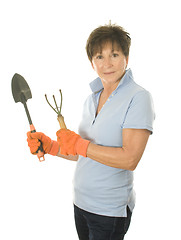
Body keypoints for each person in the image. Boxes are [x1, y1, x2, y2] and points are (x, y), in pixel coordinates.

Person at [27, 23, 155, 240]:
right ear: (91, 63)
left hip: (108, 211)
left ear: (126, 57)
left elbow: (130, 159)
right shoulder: (91, 98)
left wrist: (79, 144)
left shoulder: (138, 97)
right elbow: (83, 153)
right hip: (80, 203)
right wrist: (50, 146)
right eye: (99, 56)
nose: (107, 63)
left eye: (114, 54)